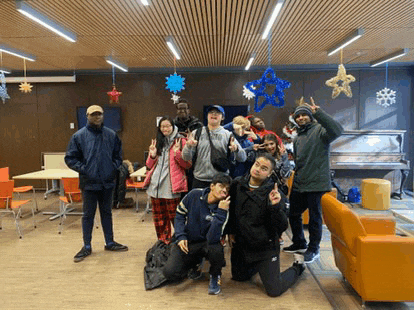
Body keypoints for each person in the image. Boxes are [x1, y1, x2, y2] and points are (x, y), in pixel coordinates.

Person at [226, 153, 305, 297]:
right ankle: (258, 267)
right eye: (256, 164)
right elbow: (231, 211)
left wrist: (275, 207)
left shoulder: (274, 193)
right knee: (238, 277)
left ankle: (298, 267)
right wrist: (230, 232)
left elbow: (281, 226)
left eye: (264, 168)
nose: (257, 169)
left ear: (269, 174)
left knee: (274, 290)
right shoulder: (237, 184)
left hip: (265, 247)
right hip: (243, 245)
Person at [283, 98, 343, 263]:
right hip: (300, 182)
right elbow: (299, 161)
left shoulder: (321, 131)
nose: (301, 118)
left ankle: (314, 249)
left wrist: (320, 113)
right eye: (298, 116)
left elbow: (338, 130)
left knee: (315, 218)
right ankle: (299, 242)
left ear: (310, 115)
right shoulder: (297, 138)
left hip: (316, 184)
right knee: (293, 213)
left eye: (304, 115)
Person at [65, 105, 128, 263]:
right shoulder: (79, 136)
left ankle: (110, 242)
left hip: (107, 183)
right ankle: (86, 246)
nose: (97, 117)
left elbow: (118, 156)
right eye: (93, 115)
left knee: (107, 213)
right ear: (87, 116)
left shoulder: (111, 135)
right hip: (89, 184)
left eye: (99, 114)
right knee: (88, 215)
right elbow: (70, 158)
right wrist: (85, 169)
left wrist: (112, 168)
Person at [162, 173, 232, 295]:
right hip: (190, 240)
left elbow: (212, 237)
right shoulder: (194, 194)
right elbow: (179, 215)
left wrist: (220, 212)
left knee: (216, 250)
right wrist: (181, 236)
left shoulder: (224, 210)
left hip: (208, 243)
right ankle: (195, 263)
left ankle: (215, 275)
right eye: (221, 186)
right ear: (212, 186)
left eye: (227, 188)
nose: (224, 190)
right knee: (170, 273)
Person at [143, 116, 191, 244]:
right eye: (162, 126)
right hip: (155, 186)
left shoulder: (181, 141)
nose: (165, 129)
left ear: (173, 126)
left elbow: (187, 165)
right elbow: (149, 165)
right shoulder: (158, 141)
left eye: (167, 126)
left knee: (175, 217)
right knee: (159, 218)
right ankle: (164, 241)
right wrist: (152, 155)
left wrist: (177, 154)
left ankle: (180, 240)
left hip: (171, 186)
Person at [182, 105, 246, 189]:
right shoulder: (197, 133)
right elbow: (185, 157)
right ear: (207, 116)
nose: (214, 114)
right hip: (199, 180)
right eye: (211, 112)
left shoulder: (227, 135)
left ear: (222, 117)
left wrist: (236, 149)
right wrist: (188, 146)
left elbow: (243, 158)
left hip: (220, 181)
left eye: (217, 113)